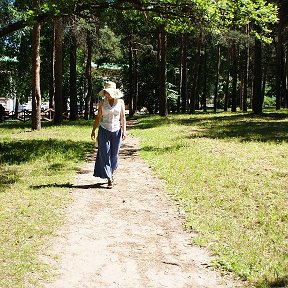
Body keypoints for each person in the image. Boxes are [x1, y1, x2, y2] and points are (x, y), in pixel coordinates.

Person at [91, 81, 126, 188]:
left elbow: (123, 117)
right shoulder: (102, 103)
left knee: (114, 154)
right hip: (104, 130)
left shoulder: (120, 102)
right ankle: (109, 177)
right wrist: (93, 130)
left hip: (116, 130)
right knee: (104, 153)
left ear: (114, 92)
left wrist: (124, 131)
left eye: (109, 92)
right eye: (106, 92)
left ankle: (111, 172)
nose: (107, 94)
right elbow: (98, 117)